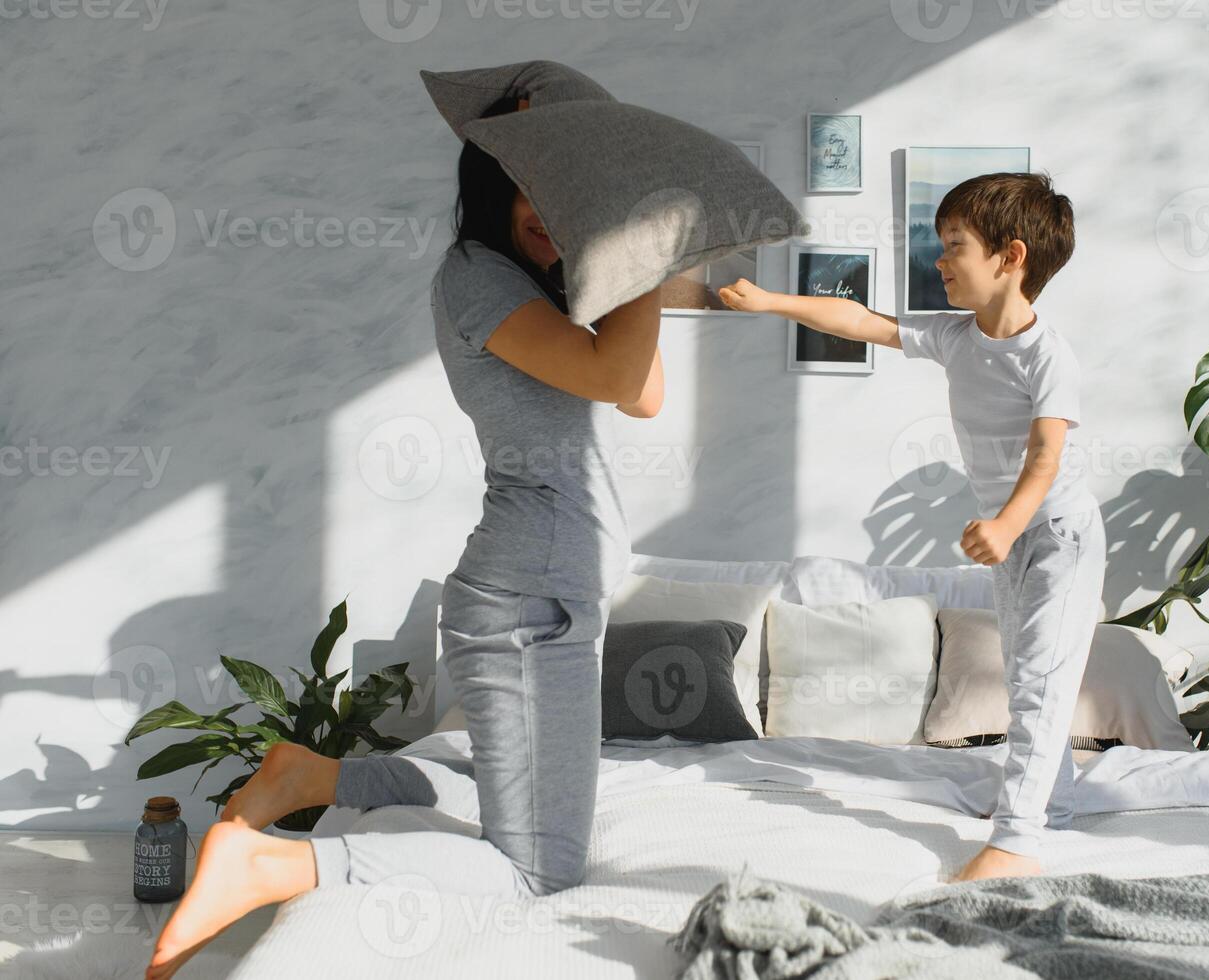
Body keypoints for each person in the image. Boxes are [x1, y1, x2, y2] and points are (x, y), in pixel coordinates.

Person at [146, 96, 664, 978]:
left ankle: (308, 776)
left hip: (541, 594)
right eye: (528, 188)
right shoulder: (476, 277)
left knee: (478, 784)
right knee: (539, 869)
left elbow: (642, 392)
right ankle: (278, 864)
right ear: (489, 186)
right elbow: (618, 373)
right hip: (530, 604)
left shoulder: (539, 290)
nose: (548, 210)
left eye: (567, 191)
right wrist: (652, 251)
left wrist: (616, 264)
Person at [719, 172, 1104, 881]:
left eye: (954, 245)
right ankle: (1057, 805)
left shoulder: (1048, 355)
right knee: (1025, 675)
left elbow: (1048, 455)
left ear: (1010, 257)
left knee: (1045, 676)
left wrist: (1007, 522)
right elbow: (864, 322)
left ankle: (1016, 842)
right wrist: (770, 300)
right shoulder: (958, 338)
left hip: (1057, 537)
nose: (940, 260)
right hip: (1012, 540)